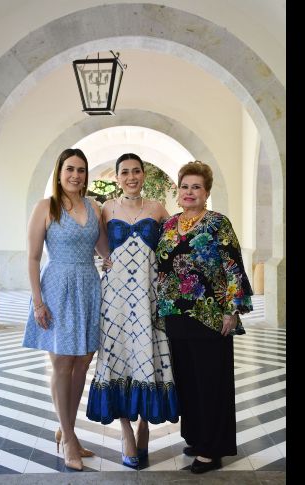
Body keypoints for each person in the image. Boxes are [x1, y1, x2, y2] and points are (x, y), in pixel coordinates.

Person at [156, 160, 253, 474]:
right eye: (185, 186)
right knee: (188, 382)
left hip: (210, 315)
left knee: (211, 382)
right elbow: (160, 266)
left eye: (196, 187)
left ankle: (212, 450)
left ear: (206, 192)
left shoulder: (217, 223)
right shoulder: (170, 225)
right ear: (178, 190)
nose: (189, 192)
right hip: (176, 314)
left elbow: (233, 265)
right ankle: (197, 437)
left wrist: (231, 309)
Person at [86, 153, 179, 468]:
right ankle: (126, 429)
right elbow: (96, 241)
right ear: (117, 177)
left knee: (147, 357)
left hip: (149, 297)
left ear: (143, 173)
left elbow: (175, 245)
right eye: (124, 172)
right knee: (118, 358)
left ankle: (143, 427)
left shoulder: (156, 208)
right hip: (115, 299)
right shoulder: (106, 208)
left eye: (136, 171)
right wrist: (104, 259)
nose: (131, 177)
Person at [22, 148, 109, 471]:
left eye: (81, 170)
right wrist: (37, 301)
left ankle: (67, 428)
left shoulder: (95, 207)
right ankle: (70, 440)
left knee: (83, 363)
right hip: (57, 287)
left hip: (88, 285)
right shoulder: (45, 207)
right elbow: (32, 257)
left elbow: (104, 250)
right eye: (70, 169)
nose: (76, 175)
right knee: (61, 363)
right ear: (59, 172)